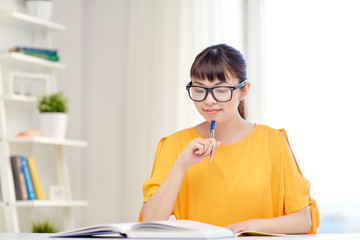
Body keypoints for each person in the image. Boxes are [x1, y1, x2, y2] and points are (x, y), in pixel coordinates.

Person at [139, 44, 318, 234]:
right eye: (199, 90)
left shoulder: (273, 141)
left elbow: (303, 220)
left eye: (221, 90)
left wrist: (250, 227)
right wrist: (182, 164)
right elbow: (149, 222)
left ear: (244, 90)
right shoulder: (175, 145)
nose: (208, 100)